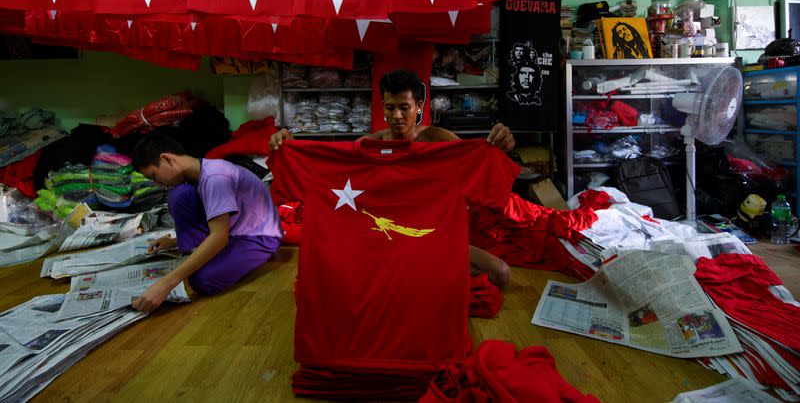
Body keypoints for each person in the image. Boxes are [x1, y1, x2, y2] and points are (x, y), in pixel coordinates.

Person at [270, 69, 515, 287]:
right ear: (383, 107)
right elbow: (329, 171)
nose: (397, 115)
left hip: (430, 235)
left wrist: (501, 144)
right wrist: (288, 148)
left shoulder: (439, 140)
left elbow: (476, 165)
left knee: (501, 272)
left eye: (404, 107)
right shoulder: (368, 146)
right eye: (390, 108)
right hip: (383, 238)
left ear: (419, 106)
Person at [130, 133, 283, 313]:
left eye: (154, 176)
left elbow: (219, 237)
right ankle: (202, 254)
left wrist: (166, 284)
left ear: (167, 159)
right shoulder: (199, 172)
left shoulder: (215, 178)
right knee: (179, 195)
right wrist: (174, 241)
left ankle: (229, 257)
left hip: (257, 236)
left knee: (202, 280)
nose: (157, 183)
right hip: (232, 229)